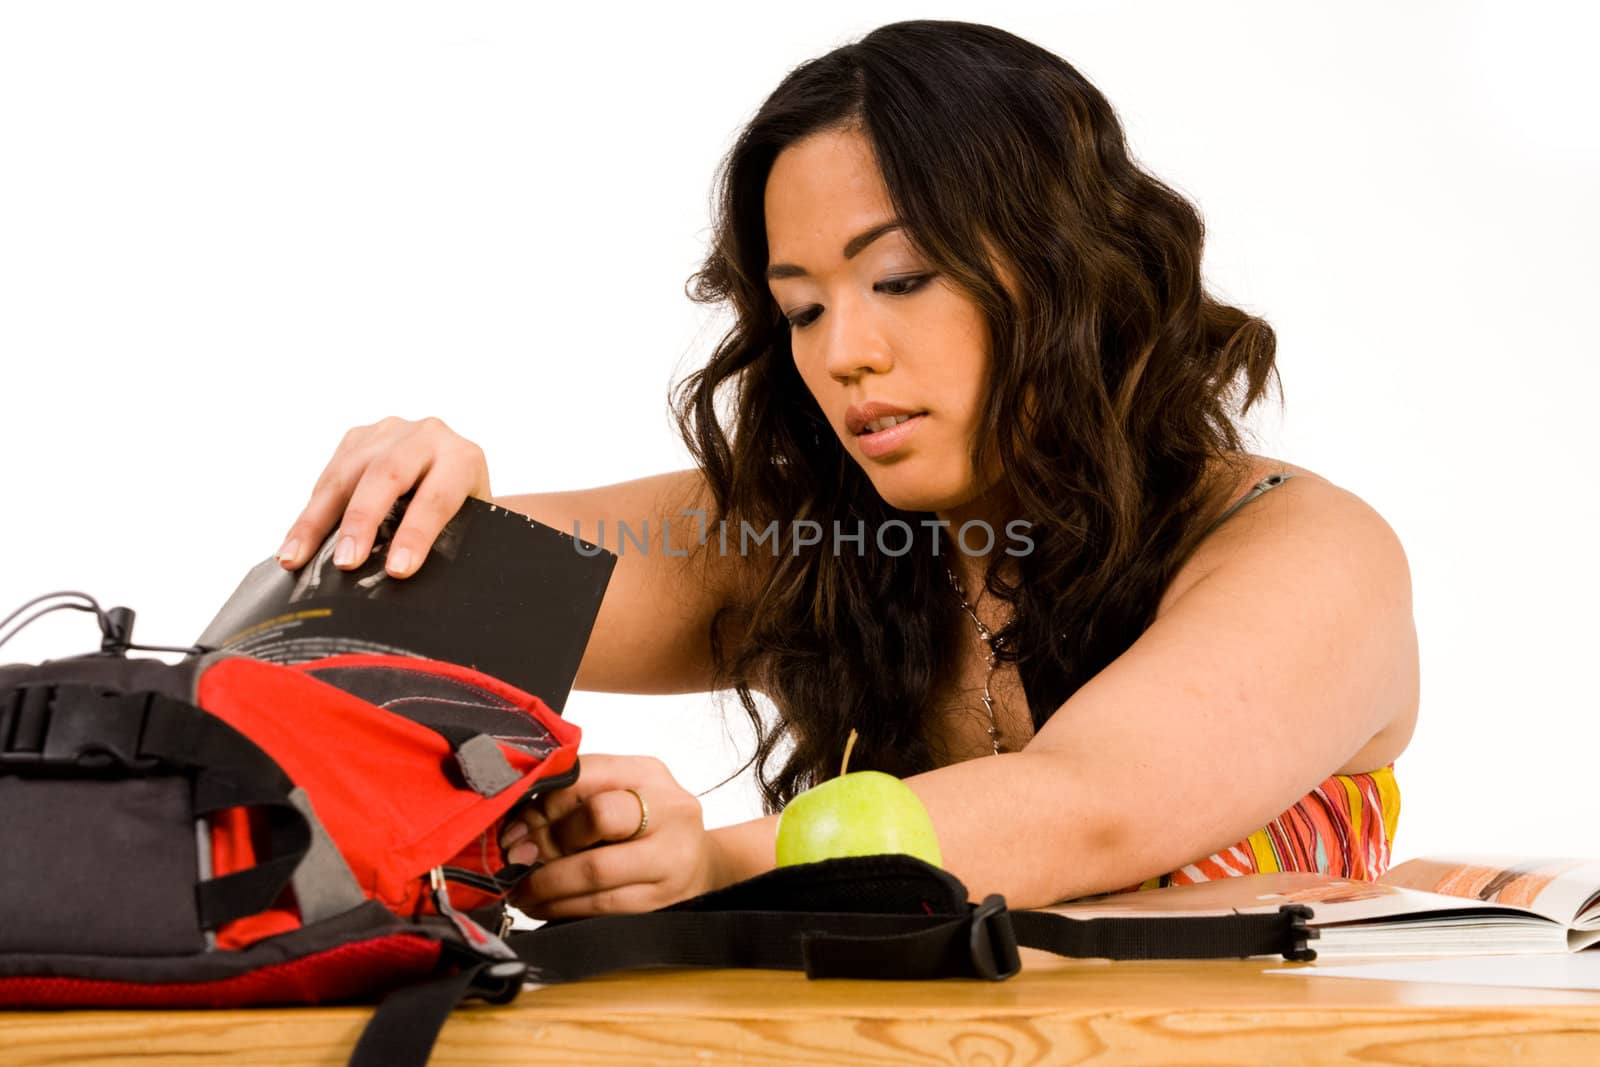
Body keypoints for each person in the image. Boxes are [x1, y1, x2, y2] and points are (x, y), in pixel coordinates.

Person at [275, 19, 1417, 919]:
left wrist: (708, 864)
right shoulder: (803, 533)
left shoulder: (1304, 548)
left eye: (904, 278)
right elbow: (348, 637)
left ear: (1070, 270)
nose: (842, 353)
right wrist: (424, 508)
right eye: (801, 307)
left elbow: (1092, 805)